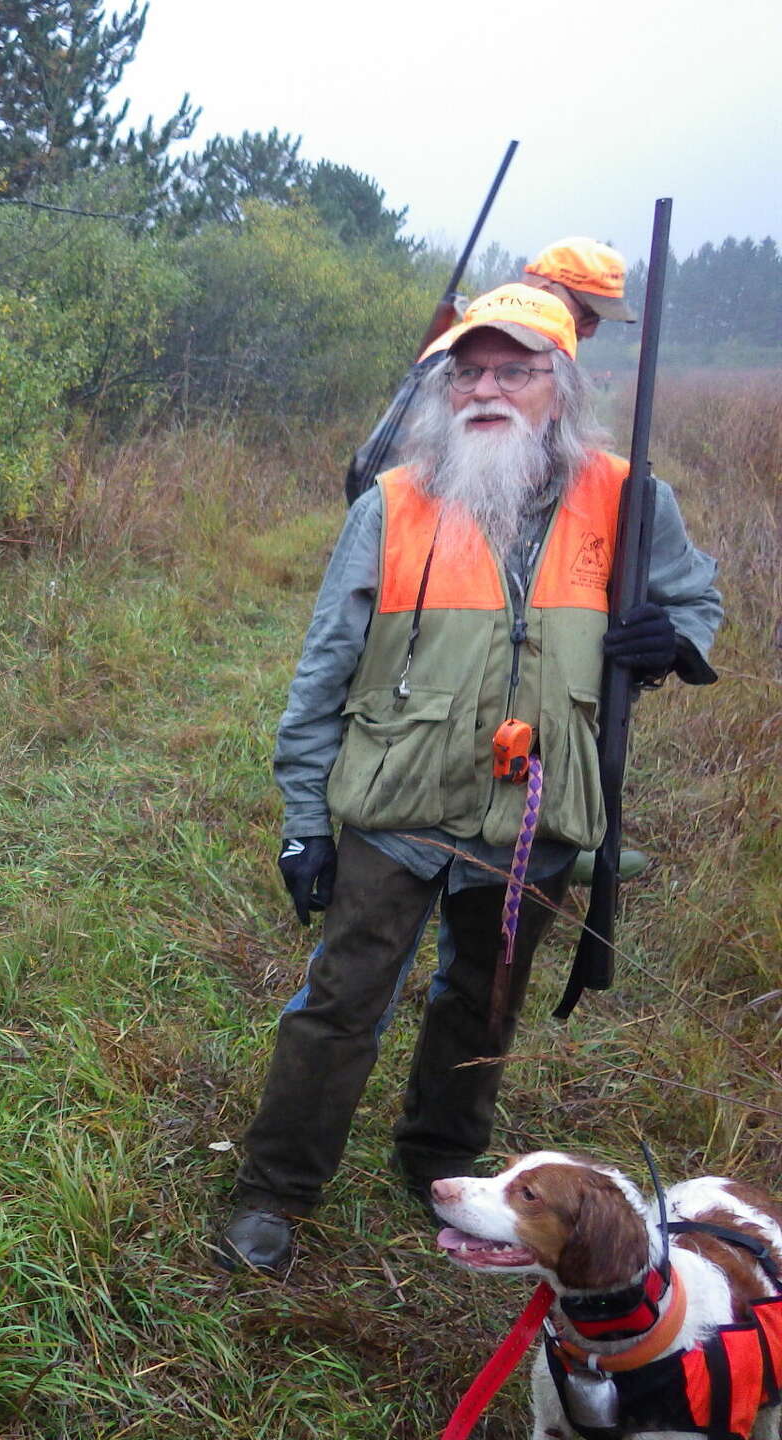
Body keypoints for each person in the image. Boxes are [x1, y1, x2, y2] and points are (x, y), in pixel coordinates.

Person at [217, 285, 721, 1275]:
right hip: (395, 808)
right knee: (340, 1002)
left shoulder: (631, 498)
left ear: (561, 384)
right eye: (468, 371)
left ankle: (441, 1158)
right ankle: (276, 1188)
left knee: (484, 1002)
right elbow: (324, 670)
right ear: (446, 389)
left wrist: (673, 643)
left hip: (538, 817)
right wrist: (305, 822)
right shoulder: (395, 503)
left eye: (514, 369)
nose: (486, 388)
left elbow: (694, 601)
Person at [343, 236, 639, 506]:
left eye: (513, 373)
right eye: (588, 313)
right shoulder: (447, 359)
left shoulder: (551, 365)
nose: (591, 330)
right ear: (547, 292)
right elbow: (372, 472)